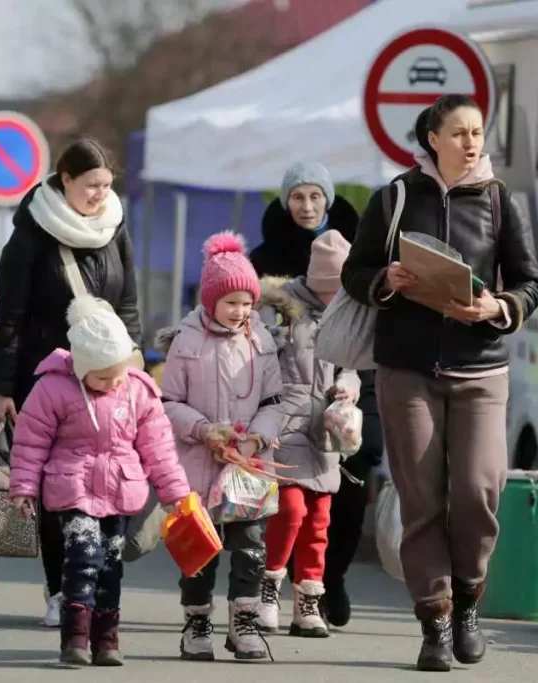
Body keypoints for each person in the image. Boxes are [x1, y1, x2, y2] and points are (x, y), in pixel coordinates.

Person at [341, 95, 538, 672]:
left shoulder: (500, 201)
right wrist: (386, 278)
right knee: (422, 500)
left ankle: (468, 598)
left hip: (482, 370)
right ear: (433, 138)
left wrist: (497, 307)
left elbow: (529, 283)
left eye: (476, 132)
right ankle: (434, 622)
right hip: (406, 371)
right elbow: (355, 274)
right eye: (459, 133)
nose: (471, 142)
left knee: (478, 490)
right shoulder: (394, 198)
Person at [0, 137, 141, 627]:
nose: (100, 194)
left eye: (106, 185)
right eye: (91, 185)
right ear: (65, 179)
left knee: (106, 484)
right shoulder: (30, 235)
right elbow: (10, 318)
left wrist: (133, 363)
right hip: (47, 379)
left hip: (108, 380)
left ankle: (93, 588)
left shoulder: (114, 226)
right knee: (59, 489)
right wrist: (3, 388)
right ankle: (60, 589)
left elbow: (128, 303)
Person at [9, 295, 189, 666]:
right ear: (81, 368)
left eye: (117, 374)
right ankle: (75, 637)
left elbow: (158, 448)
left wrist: (174, 493)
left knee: (110, 564)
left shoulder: (138, 390)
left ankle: (106, 639)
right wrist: (24, 487)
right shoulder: (52, 388)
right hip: (72, 485)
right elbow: (30, 442)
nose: (112, 383)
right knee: (83, 556)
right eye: (102, 377)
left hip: (120, 488)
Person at [248, 161, 381, 628]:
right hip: (290, 395)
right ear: (286, 202)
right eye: (298, 197)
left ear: (328, 200)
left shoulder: (360, 249)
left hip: (348, 386)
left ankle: (327, 580)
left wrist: (352, 391)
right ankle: (273, 579)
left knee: (347, 485)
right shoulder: (266, 258)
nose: (307, 206)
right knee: (290, 503)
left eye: (315, 196)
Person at [158, 231, 284, 662]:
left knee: (251, 547)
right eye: (231, 302)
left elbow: (275, 401)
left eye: (247, 303)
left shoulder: (261, 339)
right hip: (198, 463)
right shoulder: (186, 340)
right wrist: (203, 430)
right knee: (200, 550)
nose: (240, 311)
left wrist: (256, 437)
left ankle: (244, 623)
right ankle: (197, 623)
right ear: (211, 300)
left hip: (249, 465)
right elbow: (168, 402)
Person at [254, 231, 360, 639]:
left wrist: (347, 386)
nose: (335, 296)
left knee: (319, 520)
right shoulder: (282, 310)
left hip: (326, 431)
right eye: (329, 289)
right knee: (290, 510)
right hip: (286, 425)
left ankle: (308, 602)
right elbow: (258, 364)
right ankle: (268, 587)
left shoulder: (347, 315)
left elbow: (351, 367)